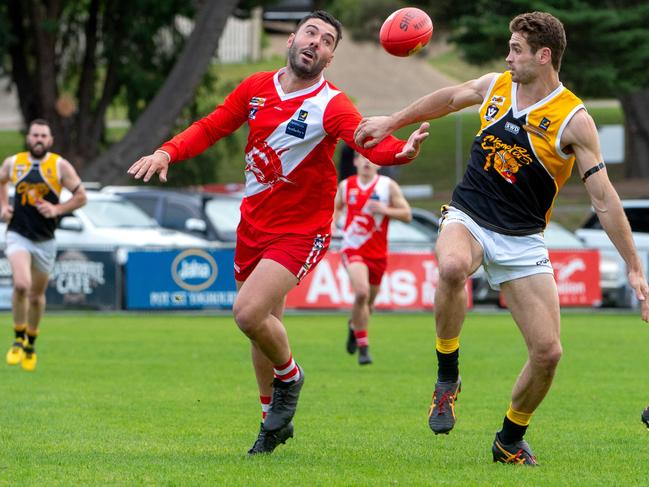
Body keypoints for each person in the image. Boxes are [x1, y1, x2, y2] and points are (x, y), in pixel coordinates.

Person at [127, 10, 429, 455]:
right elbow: (213, 126)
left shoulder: (331, 103)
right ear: (291, 39)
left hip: (301, 230)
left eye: (327, 40)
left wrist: (399, 152)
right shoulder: (255, 89)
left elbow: (365, 140)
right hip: (253, 225)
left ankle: (291, 378)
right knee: (263, 327)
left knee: (248, 314)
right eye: (311, 32)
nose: (316, 42)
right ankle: (270, 424)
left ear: (330, 57)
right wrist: (168, 151)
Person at [354, 11, 649, 465]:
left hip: (523, 239)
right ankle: (447, 377)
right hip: (469, 215)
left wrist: (633, 265)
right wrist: (392, 121)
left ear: (543, 55)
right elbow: (451, 97)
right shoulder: (497, 86)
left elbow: (605, 199)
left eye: (516, 49)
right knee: (452, 266)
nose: (508, 56)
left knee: (548, 353)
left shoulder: (574, 120)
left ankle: (509, 438)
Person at [2, 119, 87, 371]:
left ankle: (30, 344)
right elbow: (1, 180)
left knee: (37, 296)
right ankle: (17, 340)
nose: (38, 139)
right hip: (18, 233)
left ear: (50, 141)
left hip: (46, 240)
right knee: (21, 285)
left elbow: (81, 196)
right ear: (28, 138)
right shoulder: (14, 163)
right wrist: (3, 207)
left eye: (43, 136)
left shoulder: (59, 165)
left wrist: (57, 209)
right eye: (35, 135)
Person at [333, 151, 412, 365]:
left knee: (369, 304)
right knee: (361, 292)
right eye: (362, 158)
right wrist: (333, 226)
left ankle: (353, 326)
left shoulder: (387, 186)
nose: (367, 162)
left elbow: (407, 214)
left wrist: (385, 209)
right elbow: (337, 209)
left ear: (379, 165)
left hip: (377, 253)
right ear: (356, 162)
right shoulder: (346, 186)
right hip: (352, 248)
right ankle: (364, 347)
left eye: (373, 159)